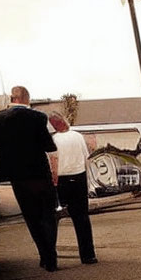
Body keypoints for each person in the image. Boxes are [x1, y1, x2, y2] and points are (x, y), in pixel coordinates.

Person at [0, 85, 59, 271]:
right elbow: (49, 146)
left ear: (12, 98)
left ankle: (45, 254)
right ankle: (50, 255)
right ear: (27, 98)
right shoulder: (38, 118)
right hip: (39, 173)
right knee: (48, 215)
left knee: (31, 217)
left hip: (16, 176)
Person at [48, 113, 97, 264]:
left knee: (53, 218)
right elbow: (86, 157)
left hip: (61, 180)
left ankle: (50, 255)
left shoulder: (53, 140)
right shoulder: (77, 136)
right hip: (78, 176)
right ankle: (88, 255)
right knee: (81, 217)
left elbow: (52, 162)